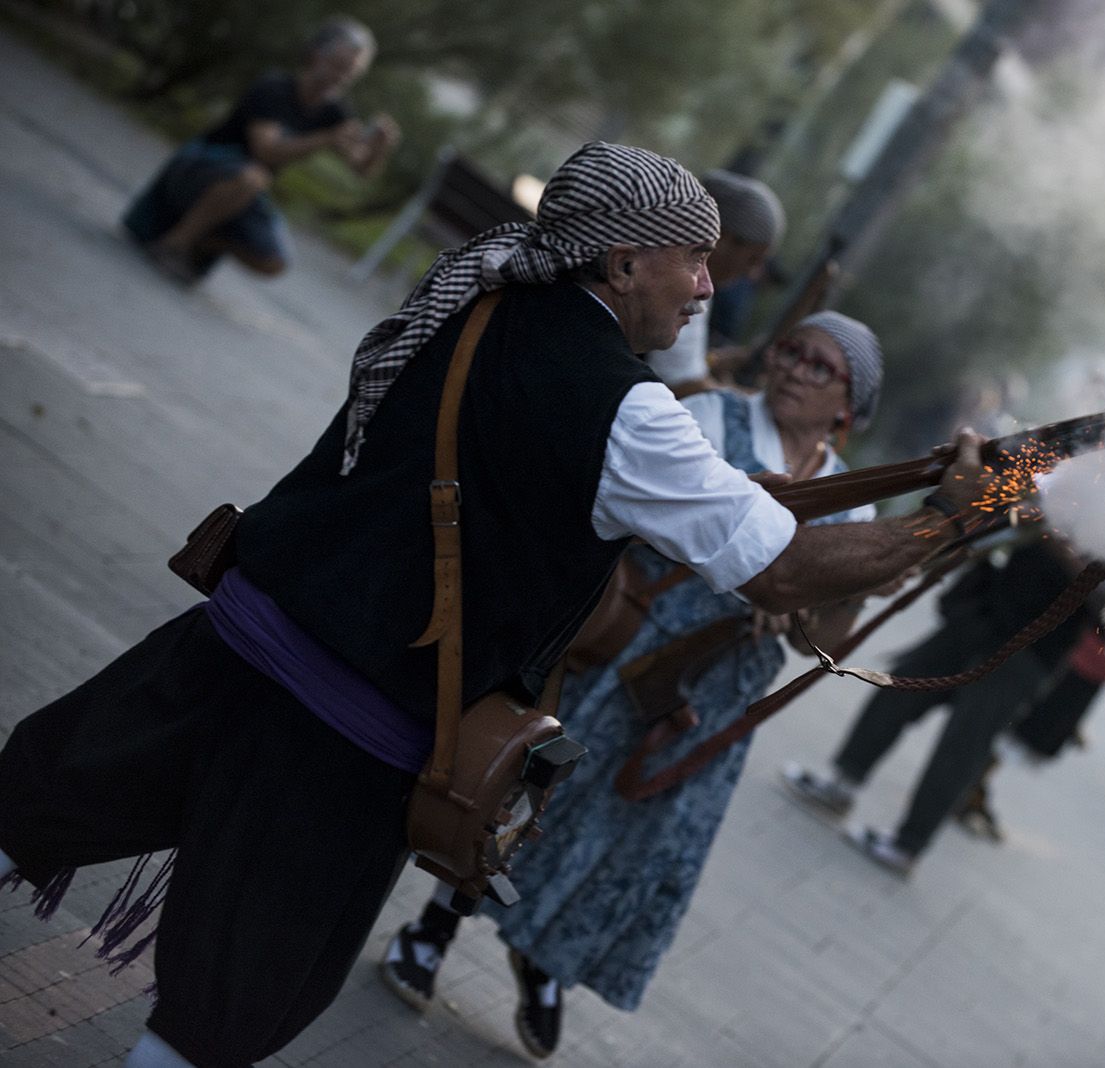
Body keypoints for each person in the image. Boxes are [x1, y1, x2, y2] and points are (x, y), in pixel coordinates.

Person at [0, 141, 995, 1068]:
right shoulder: (630, 412)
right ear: (618, 262)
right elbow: (777, 571)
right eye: (691, 262)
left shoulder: (472, 296)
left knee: (38, 797)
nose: (706, 288)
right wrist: (946, 521)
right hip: (340, 739)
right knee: (223, 1008)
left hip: (234, 641)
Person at [379, 311, 882, 1057]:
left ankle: (544, 955)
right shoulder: (711, 414)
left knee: (632, 839)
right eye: (790, 350)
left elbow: (829, 636)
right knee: (528, 797)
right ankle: (433, 930)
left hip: (713, 694)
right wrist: (760, 579)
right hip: (632, 650)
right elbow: (647, 512)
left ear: (848, 404)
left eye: (819, 366)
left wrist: (801, 611)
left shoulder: (855, 500)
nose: (793, 369)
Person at [782, 527, 1105, 875]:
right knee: (899, 689)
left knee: (963, 744)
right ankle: (841, 783)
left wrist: (1071, 557)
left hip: (1032, 651)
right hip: (986, 611)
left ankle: (907, 845)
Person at [121, 17, 399, 283]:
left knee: (274, 260)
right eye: (338, 65)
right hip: (200, 167)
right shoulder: (274, 87)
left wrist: (379, 148)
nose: (342, 78)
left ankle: (199, 240)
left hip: (244, 188)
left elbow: (361, 169)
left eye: (351, 72)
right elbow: (266, 151)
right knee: (253, 177)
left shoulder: (335, 112)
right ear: (316, 54)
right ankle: (172, 245)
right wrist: (325, 139)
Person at [951, 566, 1105, 842]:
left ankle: (971, 787)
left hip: (1101, 657)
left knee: (1030, 732)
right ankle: (965, 789)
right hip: (1083, 640)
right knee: (1021, 725)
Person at [645, 169, 784, 396]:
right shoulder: (682, 284)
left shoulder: (697, 284)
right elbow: (681, 385)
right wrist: (753, 403)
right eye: (752, 259)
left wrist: (715, 361)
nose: (752, 273)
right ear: (723, 237)